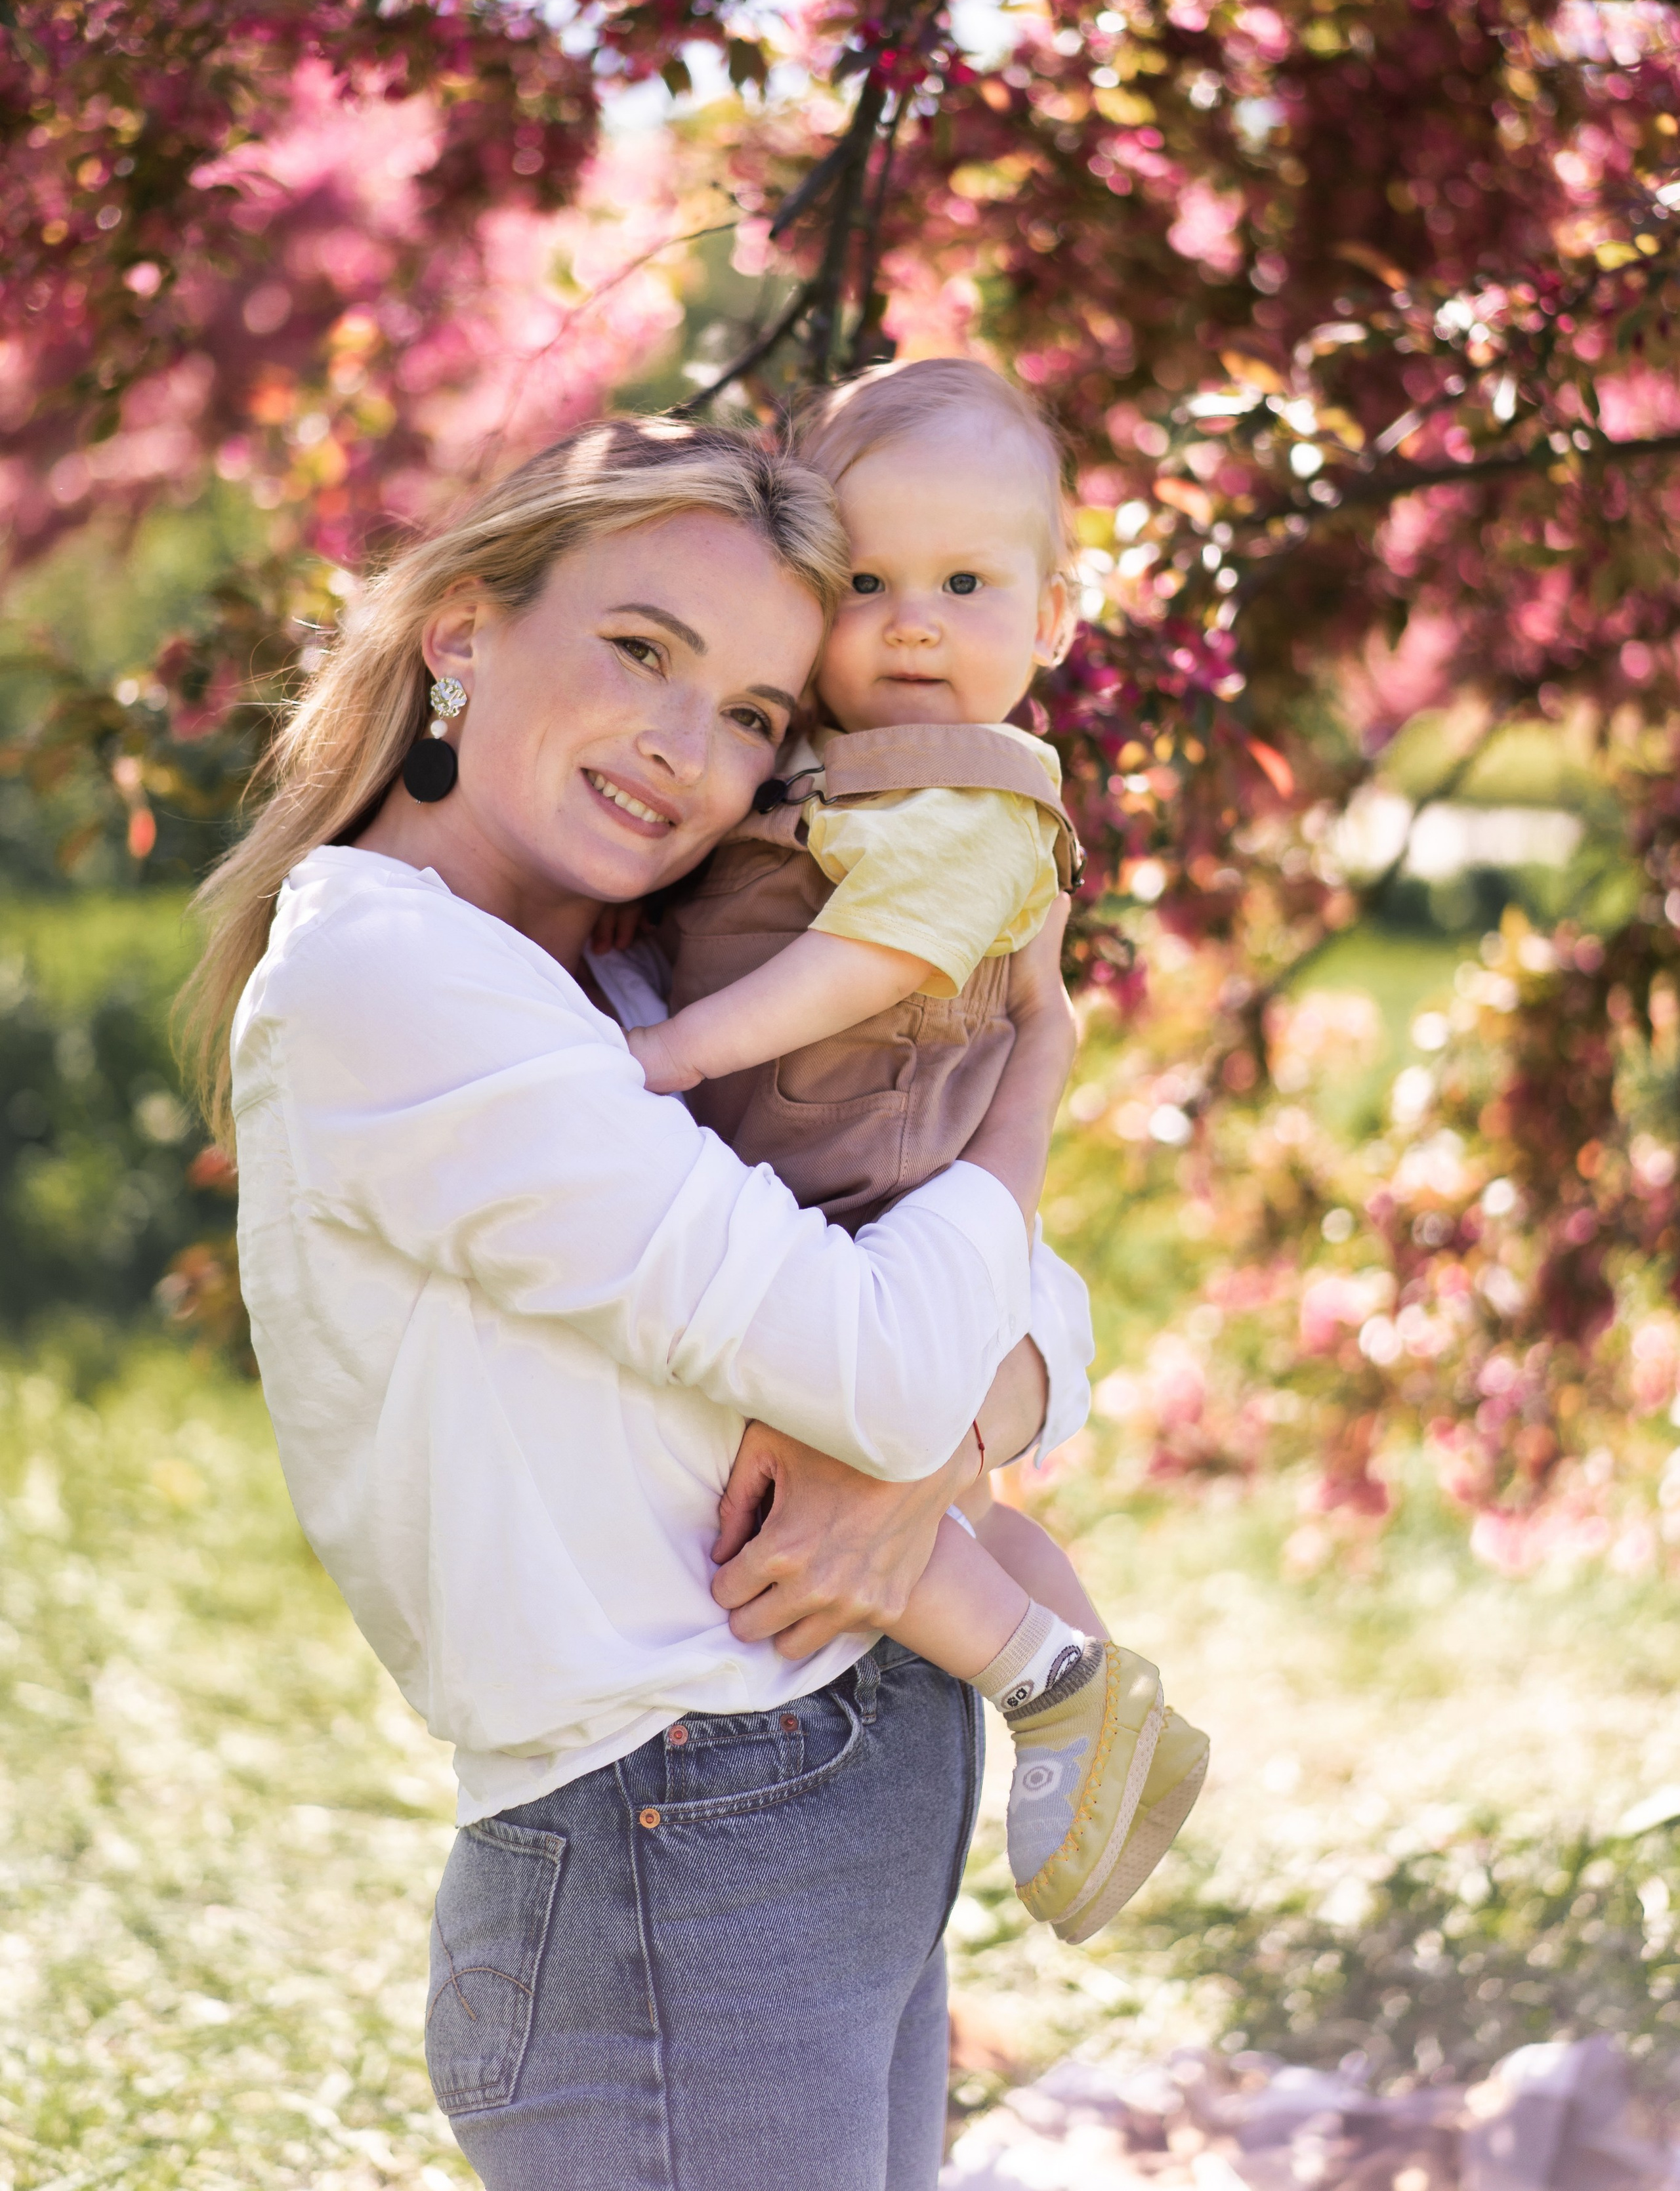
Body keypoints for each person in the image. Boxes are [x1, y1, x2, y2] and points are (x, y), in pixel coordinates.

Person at [180, 416, 1099, 2191]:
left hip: (840, 1782)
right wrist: (1036, 1071)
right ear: (461, 633)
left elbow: (1037, 1319)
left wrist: (921, 1465)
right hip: (673, 1833)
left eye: (758, 712)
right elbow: (916, 1347)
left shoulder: (624, 974)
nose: (692, 751)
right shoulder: (394, 982)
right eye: (643, 653)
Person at [623, 360, 1208, 1943]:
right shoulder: (814, 769)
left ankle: (1047, 1682)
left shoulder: (970, 796)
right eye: (865, 584)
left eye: (964, 583)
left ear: (1052, 618)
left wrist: (673, 1053)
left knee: (848, 1496)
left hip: (863, 1197)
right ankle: (1089, 1702)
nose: (912, 624)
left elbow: (871, 959)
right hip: (825, 1186)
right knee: (919, 1512)